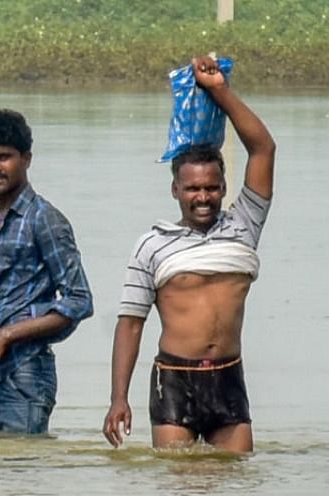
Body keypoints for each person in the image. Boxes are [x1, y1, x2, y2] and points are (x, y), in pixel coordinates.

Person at [103, 56, 276, 453]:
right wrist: (118, 399)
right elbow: (130, 324)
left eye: (212, 188)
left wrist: (220, 91)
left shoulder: (243, 226)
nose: (203, 197)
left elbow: (263, 147)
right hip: (175, 379)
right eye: (193, 189)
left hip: (228, 376)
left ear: (223, 188)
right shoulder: (152, 244)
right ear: (175, 191)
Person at [0, 109, 94, 435]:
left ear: (26, 159)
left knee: (21, 471)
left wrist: (5, 336)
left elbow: (79, 299)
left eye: (4, 157)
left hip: (23, 374)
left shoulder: (43, 219)